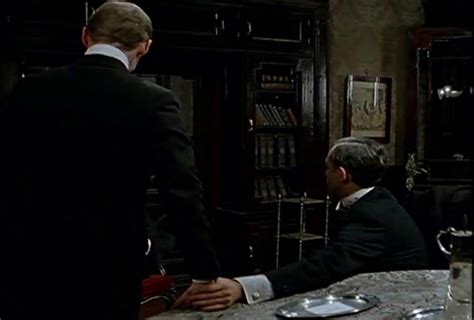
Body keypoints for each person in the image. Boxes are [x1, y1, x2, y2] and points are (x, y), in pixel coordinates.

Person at [0, 3, 219, 319]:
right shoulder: (154, 101)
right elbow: (182, 190)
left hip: (28, 259)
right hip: (109, 264)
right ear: (144, 47)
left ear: (86, 36)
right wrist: (203, 272)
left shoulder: (28, 90)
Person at [174, 136, 428, 311]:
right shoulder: (376, 201)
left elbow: (327, 265)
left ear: (342, 175)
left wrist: (244, 288)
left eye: (327, 169)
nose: (324, 174)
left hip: (396, 304)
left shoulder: (374, 214)